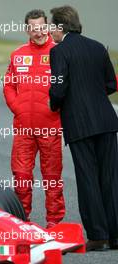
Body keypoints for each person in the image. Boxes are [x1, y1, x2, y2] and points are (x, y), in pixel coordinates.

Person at [49, 5, 118, 250]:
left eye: (51, 26)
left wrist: (55, 103)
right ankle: (116, 235)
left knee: (88, 178)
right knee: (110, 178)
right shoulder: (98, 47)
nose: (49, 32)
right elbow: (111, 83)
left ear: (60, 27)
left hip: (79, 123)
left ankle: (98, 235)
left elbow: (58, 87)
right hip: (107, 121)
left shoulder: (59, 52)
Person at [3, 9, 65, 228]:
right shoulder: (18, 53)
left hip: (50, 125)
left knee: (52, 176)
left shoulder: (60, 52)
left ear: (47, 26)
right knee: (21, 176)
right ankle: (21, 220)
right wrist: (17, 107)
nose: (38, 32)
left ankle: (54, 222)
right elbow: (9, 85)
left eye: (41, 27)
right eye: (33, 28)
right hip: (23, 128)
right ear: (27, 29)